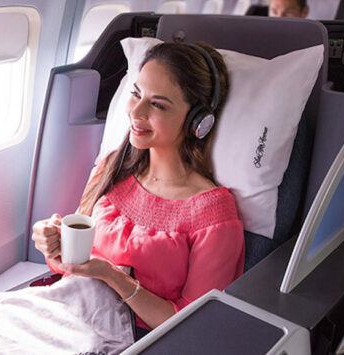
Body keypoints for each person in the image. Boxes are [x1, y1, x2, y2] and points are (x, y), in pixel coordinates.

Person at [31, 41, 245, 338]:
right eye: (136, 94)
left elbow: (193, 326)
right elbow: (74, 267)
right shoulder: (113, 168)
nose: (136, 111)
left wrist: (112, 275)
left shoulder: (213, 214)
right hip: (69, 313)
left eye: (157, 104)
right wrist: (53, 244)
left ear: (198, 121)